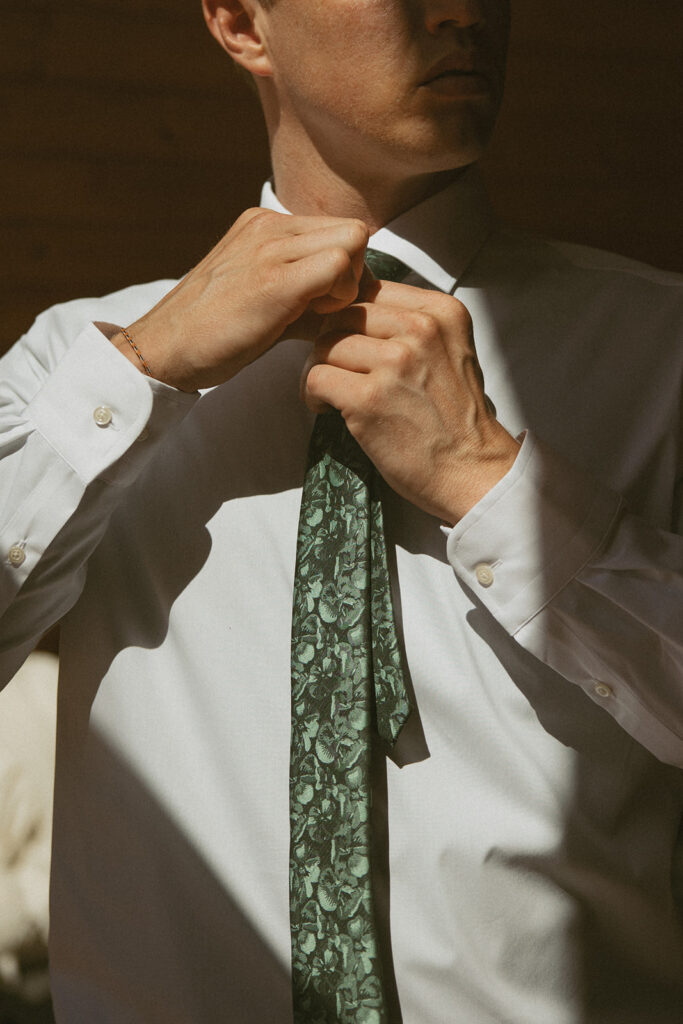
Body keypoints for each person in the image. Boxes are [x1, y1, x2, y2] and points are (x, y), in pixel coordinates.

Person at [1, 0, 682, 1021]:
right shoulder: (73, 366)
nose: (462, 12)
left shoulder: (660, 351)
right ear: (240, 23)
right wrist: (140, 373)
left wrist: (492, 486)